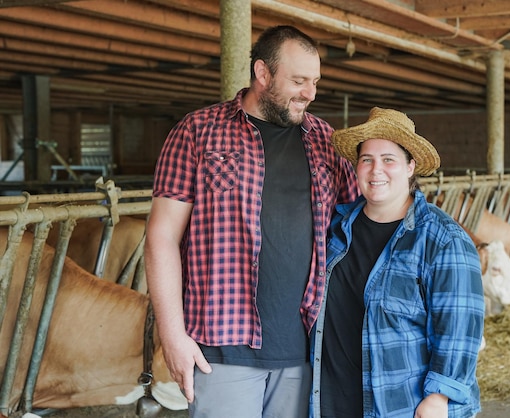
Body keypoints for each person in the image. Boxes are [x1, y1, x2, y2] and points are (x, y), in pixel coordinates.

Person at [144, 25, 359, 418]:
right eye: (298, 81)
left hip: (306, 348)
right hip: (222, 348)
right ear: (263, 73)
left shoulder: (327, 141)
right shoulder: (197, 131)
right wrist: (172, 335)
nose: (310, 93)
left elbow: (359, 221)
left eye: (314, 82)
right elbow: (161, 238)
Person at [310, 107, 484, 418]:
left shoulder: (443, 240)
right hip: (331, 400)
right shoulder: (335, 228)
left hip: (400, 404)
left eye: (389, 159)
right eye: (367, 160)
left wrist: (439, 397)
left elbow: (459, 328)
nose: (376, 170)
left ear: (410, 166)